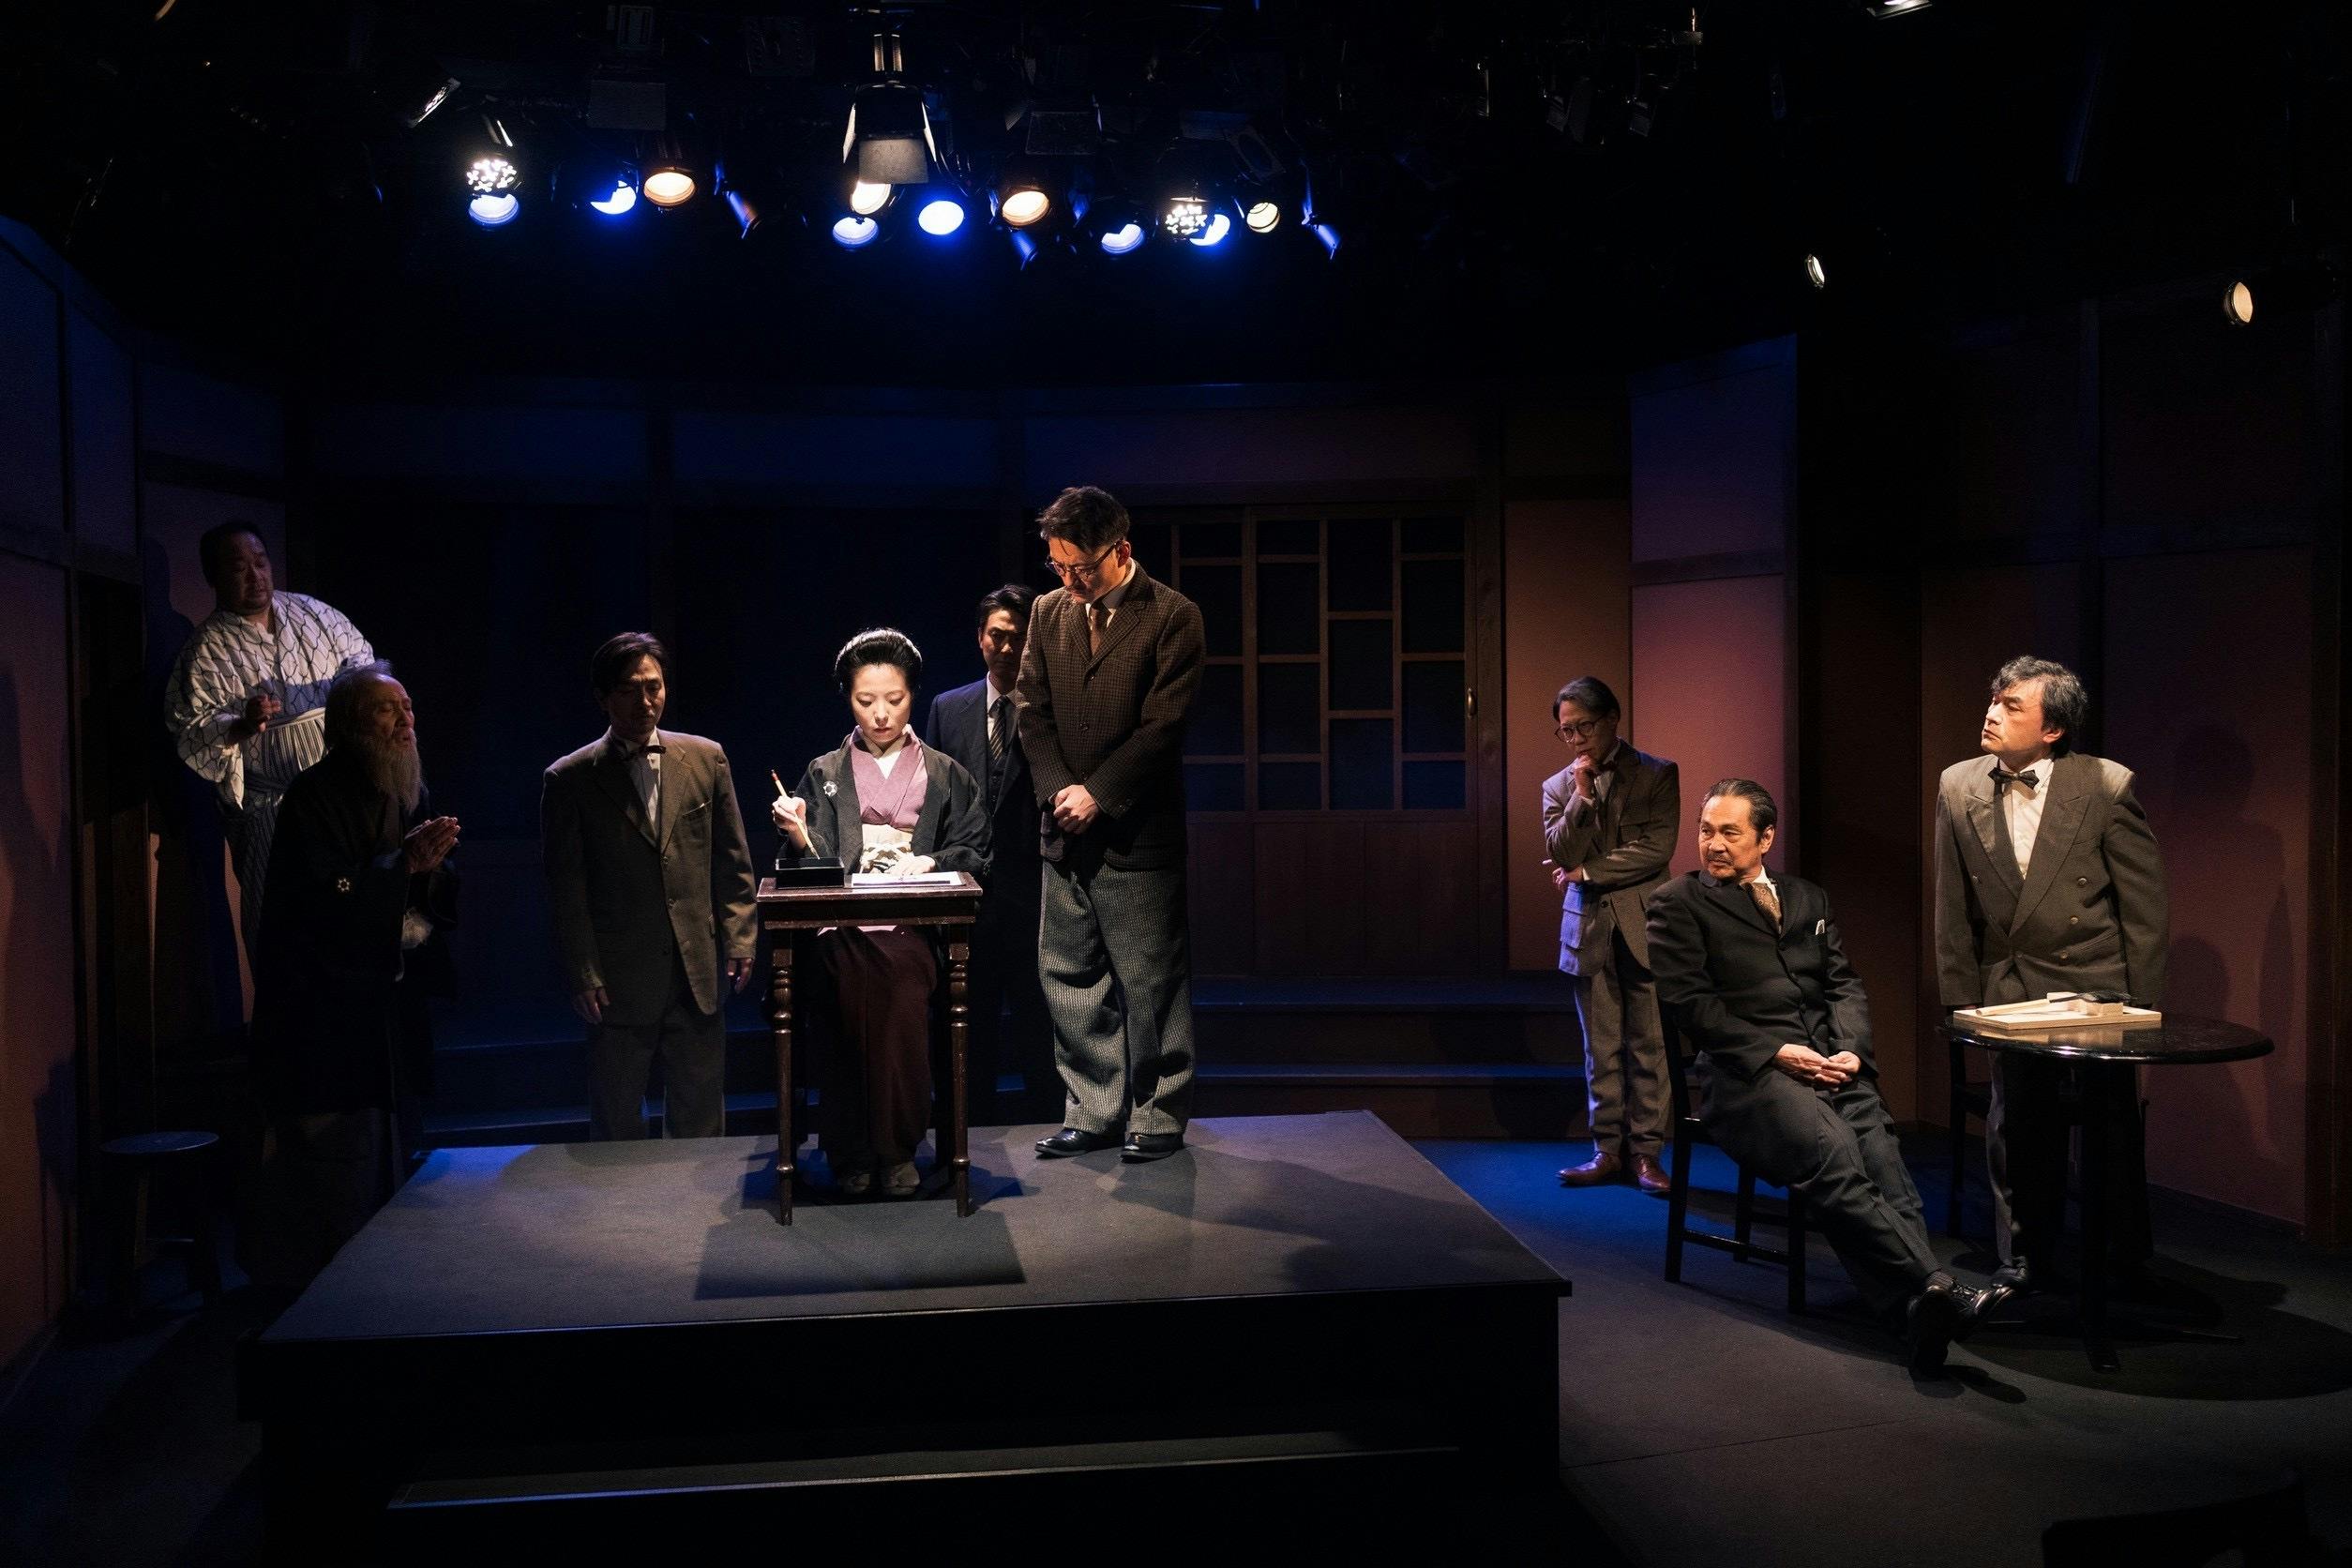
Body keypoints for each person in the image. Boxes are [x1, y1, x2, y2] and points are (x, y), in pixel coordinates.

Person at [1649, 779, 2012, 1374]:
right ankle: (1938, 1286)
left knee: (1883, 1158)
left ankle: (1917, 1313)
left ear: (1766, 837)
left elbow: (1844, 985)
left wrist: (1852, 1052)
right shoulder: (1677, 902)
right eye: (1706, 831)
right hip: (1749, 1075)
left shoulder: (1808, 898)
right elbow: (1691, 1005)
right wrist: (1776, 1051)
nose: (1713, 844)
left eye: (1729, 832)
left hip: (1829, 1065)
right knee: (1836, 1154)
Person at [1934, 656, 2167, 1291]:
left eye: (2011, 706)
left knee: (2111, 1125)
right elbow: (1952, 904)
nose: (1991, 712)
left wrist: (2142, 1007)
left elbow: (2143, 906)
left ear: (2052, 729)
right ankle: (2024, 1255)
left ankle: (2123, 1256)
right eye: (1993, 699)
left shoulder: (2105, 784)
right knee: (2017, 1124)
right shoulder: (1957, 784)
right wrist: (1960, 1000)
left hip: (2095, 984)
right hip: (2010, 986)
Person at [248, 663, 458, 1290]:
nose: (405, 721)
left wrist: (428, 868)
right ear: (351, 725)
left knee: (389, 1151)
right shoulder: (314, 795)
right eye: (387, 710)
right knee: (335, 1164)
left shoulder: (405, 787)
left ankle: (383, 1283)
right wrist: (403, 866)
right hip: (325, 1011)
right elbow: (321, 897)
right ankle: (324, 1294)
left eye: (408, 707)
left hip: (385, 1008)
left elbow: (429, 881)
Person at [1016, 485, 1206, 1163]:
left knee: (1151, 982)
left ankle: (1156, 1113)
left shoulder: (1172, 616)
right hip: (1063, 827)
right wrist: (1058, 791)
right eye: (1059, 567)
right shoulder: (1048, 613)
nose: (1070, 582)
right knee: (1069, 976)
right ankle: (1092, 1110)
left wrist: (1098, 793)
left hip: (1136, 830)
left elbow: (1163, 728)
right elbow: (1030, 710)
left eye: (1082, 568)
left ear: (1121, 550)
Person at [774, 628, 991, 1197]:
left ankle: (891, 1147)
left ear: (912, 695)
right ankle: (857, 1149)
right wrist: (797, 833)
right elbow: (811, 865)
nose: (880, 714)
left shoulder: (945, 773)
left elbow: (974, 848)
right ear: (848, 699)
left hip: (911, 927)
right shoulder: (824, 772)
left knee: (896, 979)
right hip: (841, 928)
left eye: (894, 700)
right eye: (865, 700)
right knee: (847, 977)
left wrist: (930, 860)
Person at [542, 633, 758, 1141]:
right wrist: (584, 971)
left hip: (695, 970)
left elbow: (732, 860)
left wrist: (741, 939)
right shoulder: (570, 778)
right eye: (629, 690)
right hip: (618, 978)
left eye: (653, 687)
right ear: (603, 697)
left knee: (700, 1120)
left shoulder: (706, 758)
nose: (645, 701)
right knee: (617, 1123)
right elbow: (566, 887)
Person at [162, 521, 376, 951]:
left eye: (260, 563)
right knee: (281, 919)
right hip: (270, 807)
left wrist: (348, 697)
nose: (255, 576)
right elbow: (190, 728)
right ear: (214, 577)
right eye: (238, 568)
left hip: (338, 795)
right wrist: (242, 724)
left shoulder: (316, 615)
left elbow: (364, 669)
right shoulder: (205, 649)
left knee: (351, 903)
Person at [924, 584, 1055, 1125]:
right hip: (966, 895)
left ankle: (1051, 1124)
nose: (1005, 648)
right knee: (964, 1019)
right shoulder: (948, 708)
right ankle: (964, 1126)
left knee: (1038, 1017)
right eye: (996, 635)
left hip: (1034, 889)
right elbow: (933, 803)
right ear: (980, 638)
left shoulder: (1052, 706)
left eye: (1017, 638)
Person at [1542, 676, 1679, 1195]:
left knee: (1649, 1046)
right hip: (1588, 927)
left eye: (1584, 727)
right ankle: (1607, 1150)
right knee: (1599, 1047)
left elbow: (1656, 849)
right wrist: (1581, 797)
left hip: (1645, 925)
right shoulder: (1558, 787)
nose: (1576, 739)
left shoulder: (1658, 773)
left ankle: (1647, 1154)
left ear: (1612, 719)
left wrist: (1588, 872)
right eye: (1566, 730)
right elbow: (1560, 851)